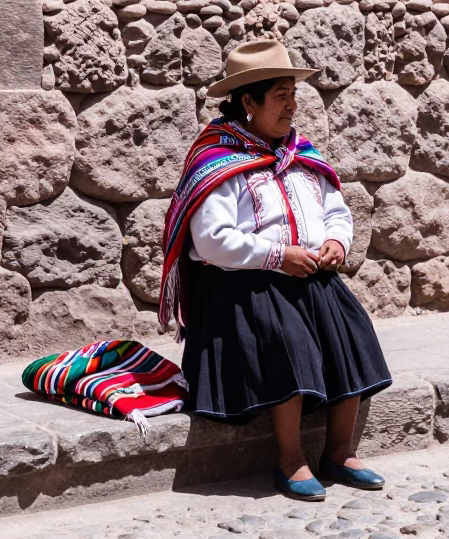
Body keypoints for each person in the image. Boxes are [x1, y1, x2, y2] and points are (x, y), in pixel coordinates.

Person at [160, 39, 392, 501]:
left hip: (303, 272)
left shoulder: (300, 154)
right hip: (240, 284)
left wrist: (334, 242)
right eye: (281, 95)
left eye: (293, 94)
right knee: (290, 339)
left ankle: (339, 452)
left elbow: (336, 211)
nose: (293, 105)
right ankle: (290, 460)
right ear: (249, 102)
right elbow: (211, 241)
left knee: (351, 328)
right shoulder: (218, 159)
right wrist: (276, 255)